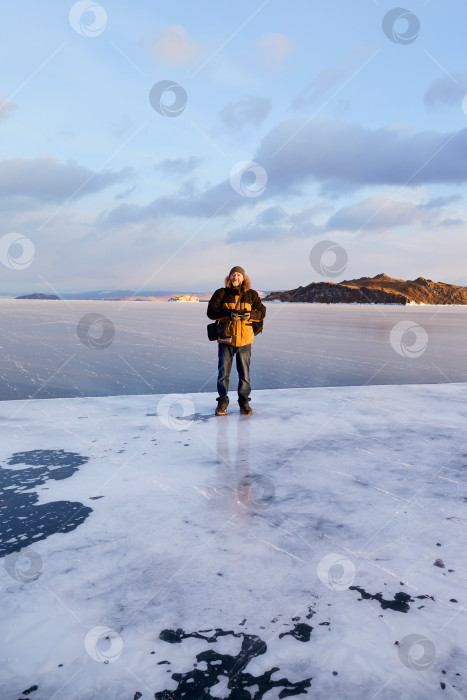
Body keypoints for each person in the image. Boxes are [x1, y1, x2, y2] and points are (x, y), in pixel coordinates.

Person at [207, 266, 266, 416]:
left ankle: (244, 402)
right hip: (226, 340)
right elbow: (211, 312)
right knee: (223, 375)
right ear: (229, 277)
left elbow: (262, 311)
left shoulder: (252, 295)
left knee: (244, 375)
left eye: (238, 275)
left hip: (245, 341)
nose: (235, 277)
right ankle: (222, 403)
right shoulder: (221, 293)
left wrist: (251, 315)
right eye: (233, 275)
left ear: (243, 278)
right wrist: (229, 313)